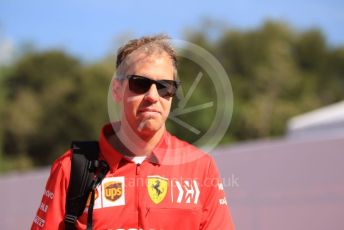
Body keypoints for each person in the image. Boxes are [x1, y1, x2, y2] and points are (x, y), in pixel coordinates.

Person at [31, 34, 235, 229]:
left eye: (165, 86)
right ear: (117, 90)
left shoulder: (200, 167)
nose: (153, 96)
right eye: (140, 83)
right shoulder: (70, 168)